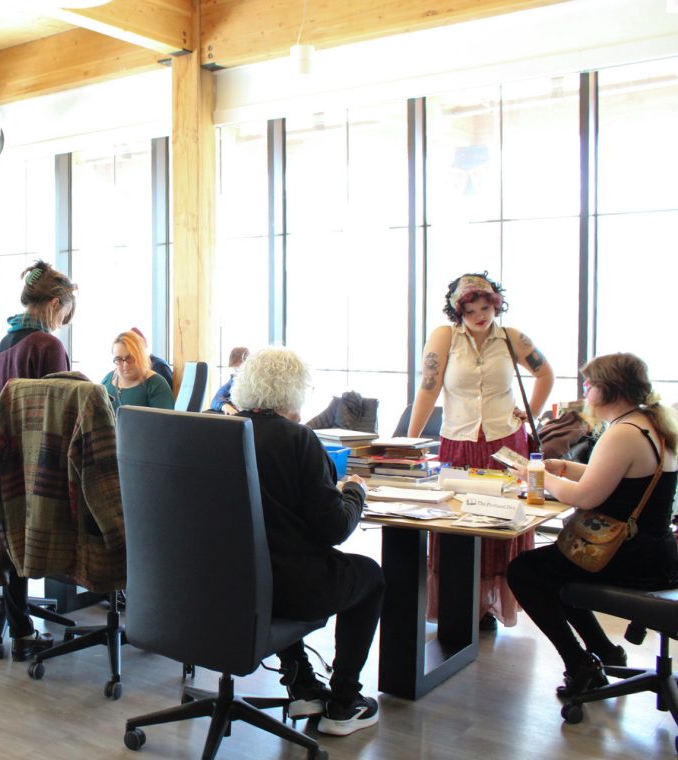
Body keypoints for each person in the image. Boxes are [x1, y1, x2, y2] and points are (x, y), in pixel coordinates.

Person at [230, 346, 384, 736]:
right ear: (295, 391)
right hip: (292, 591)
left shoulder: (217, 432)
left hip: (226, 586)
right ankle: (344, 702)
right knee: (369, 576)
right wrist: (355, 492)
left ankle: (302, 685)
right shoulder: (299, 439)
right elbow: (334, 529)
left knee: (273, 559)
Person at [507, 353, 678, 698]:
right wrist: (566, 469)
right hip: (656, 552)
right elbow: (621, 480)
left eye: (590, 383)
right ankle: (604, 650)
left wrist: (537, 475)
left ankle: (580, 663)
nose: (586, 390)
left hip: (629, 554)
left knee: (525, 571)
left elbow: (584, 498)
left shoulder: (623, 433)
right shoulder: (649, 423)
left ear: (610, 388)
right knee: (553, 569)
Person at [407, 272, 553, 630]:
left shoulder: (511, 338)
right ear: (458, 312)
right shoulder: (445, 337)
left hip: (506, 443)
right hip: (458, 442)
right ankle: (460, 603)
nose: (479, 317)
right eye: (470, 311)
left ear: (496, 305)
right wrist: (409, 443)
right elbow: (428, 388)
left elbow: (545, 374)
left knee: (500, 524)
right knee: (456, 524)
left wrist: (529, 413)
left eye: (485, 308)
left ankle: (489, 608)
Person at [0, 260, 78, 661]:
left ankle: (21, 630)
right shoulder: (47, 346)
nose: (61, 325)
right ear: (55, 303)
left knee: (14, 538)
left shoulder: (4, 343)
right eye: (64, 315)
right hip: (43, 464)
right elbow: (63, 412)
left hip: (10, 461)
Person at [100, 330, 174, 413]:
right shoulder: (107, 381)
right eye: (119, 359)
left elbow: (165, 420)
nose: (125, 364)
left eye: (130, 358)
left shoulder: (156, 384)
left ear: (140, 356)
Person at [210, 345, 250, 414]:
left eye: (239, 367)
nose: (238, 372)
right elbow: (217, 397)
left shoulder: (256, 382)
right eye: (235, 369)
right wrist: (225, 406)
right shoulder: (233, 380)